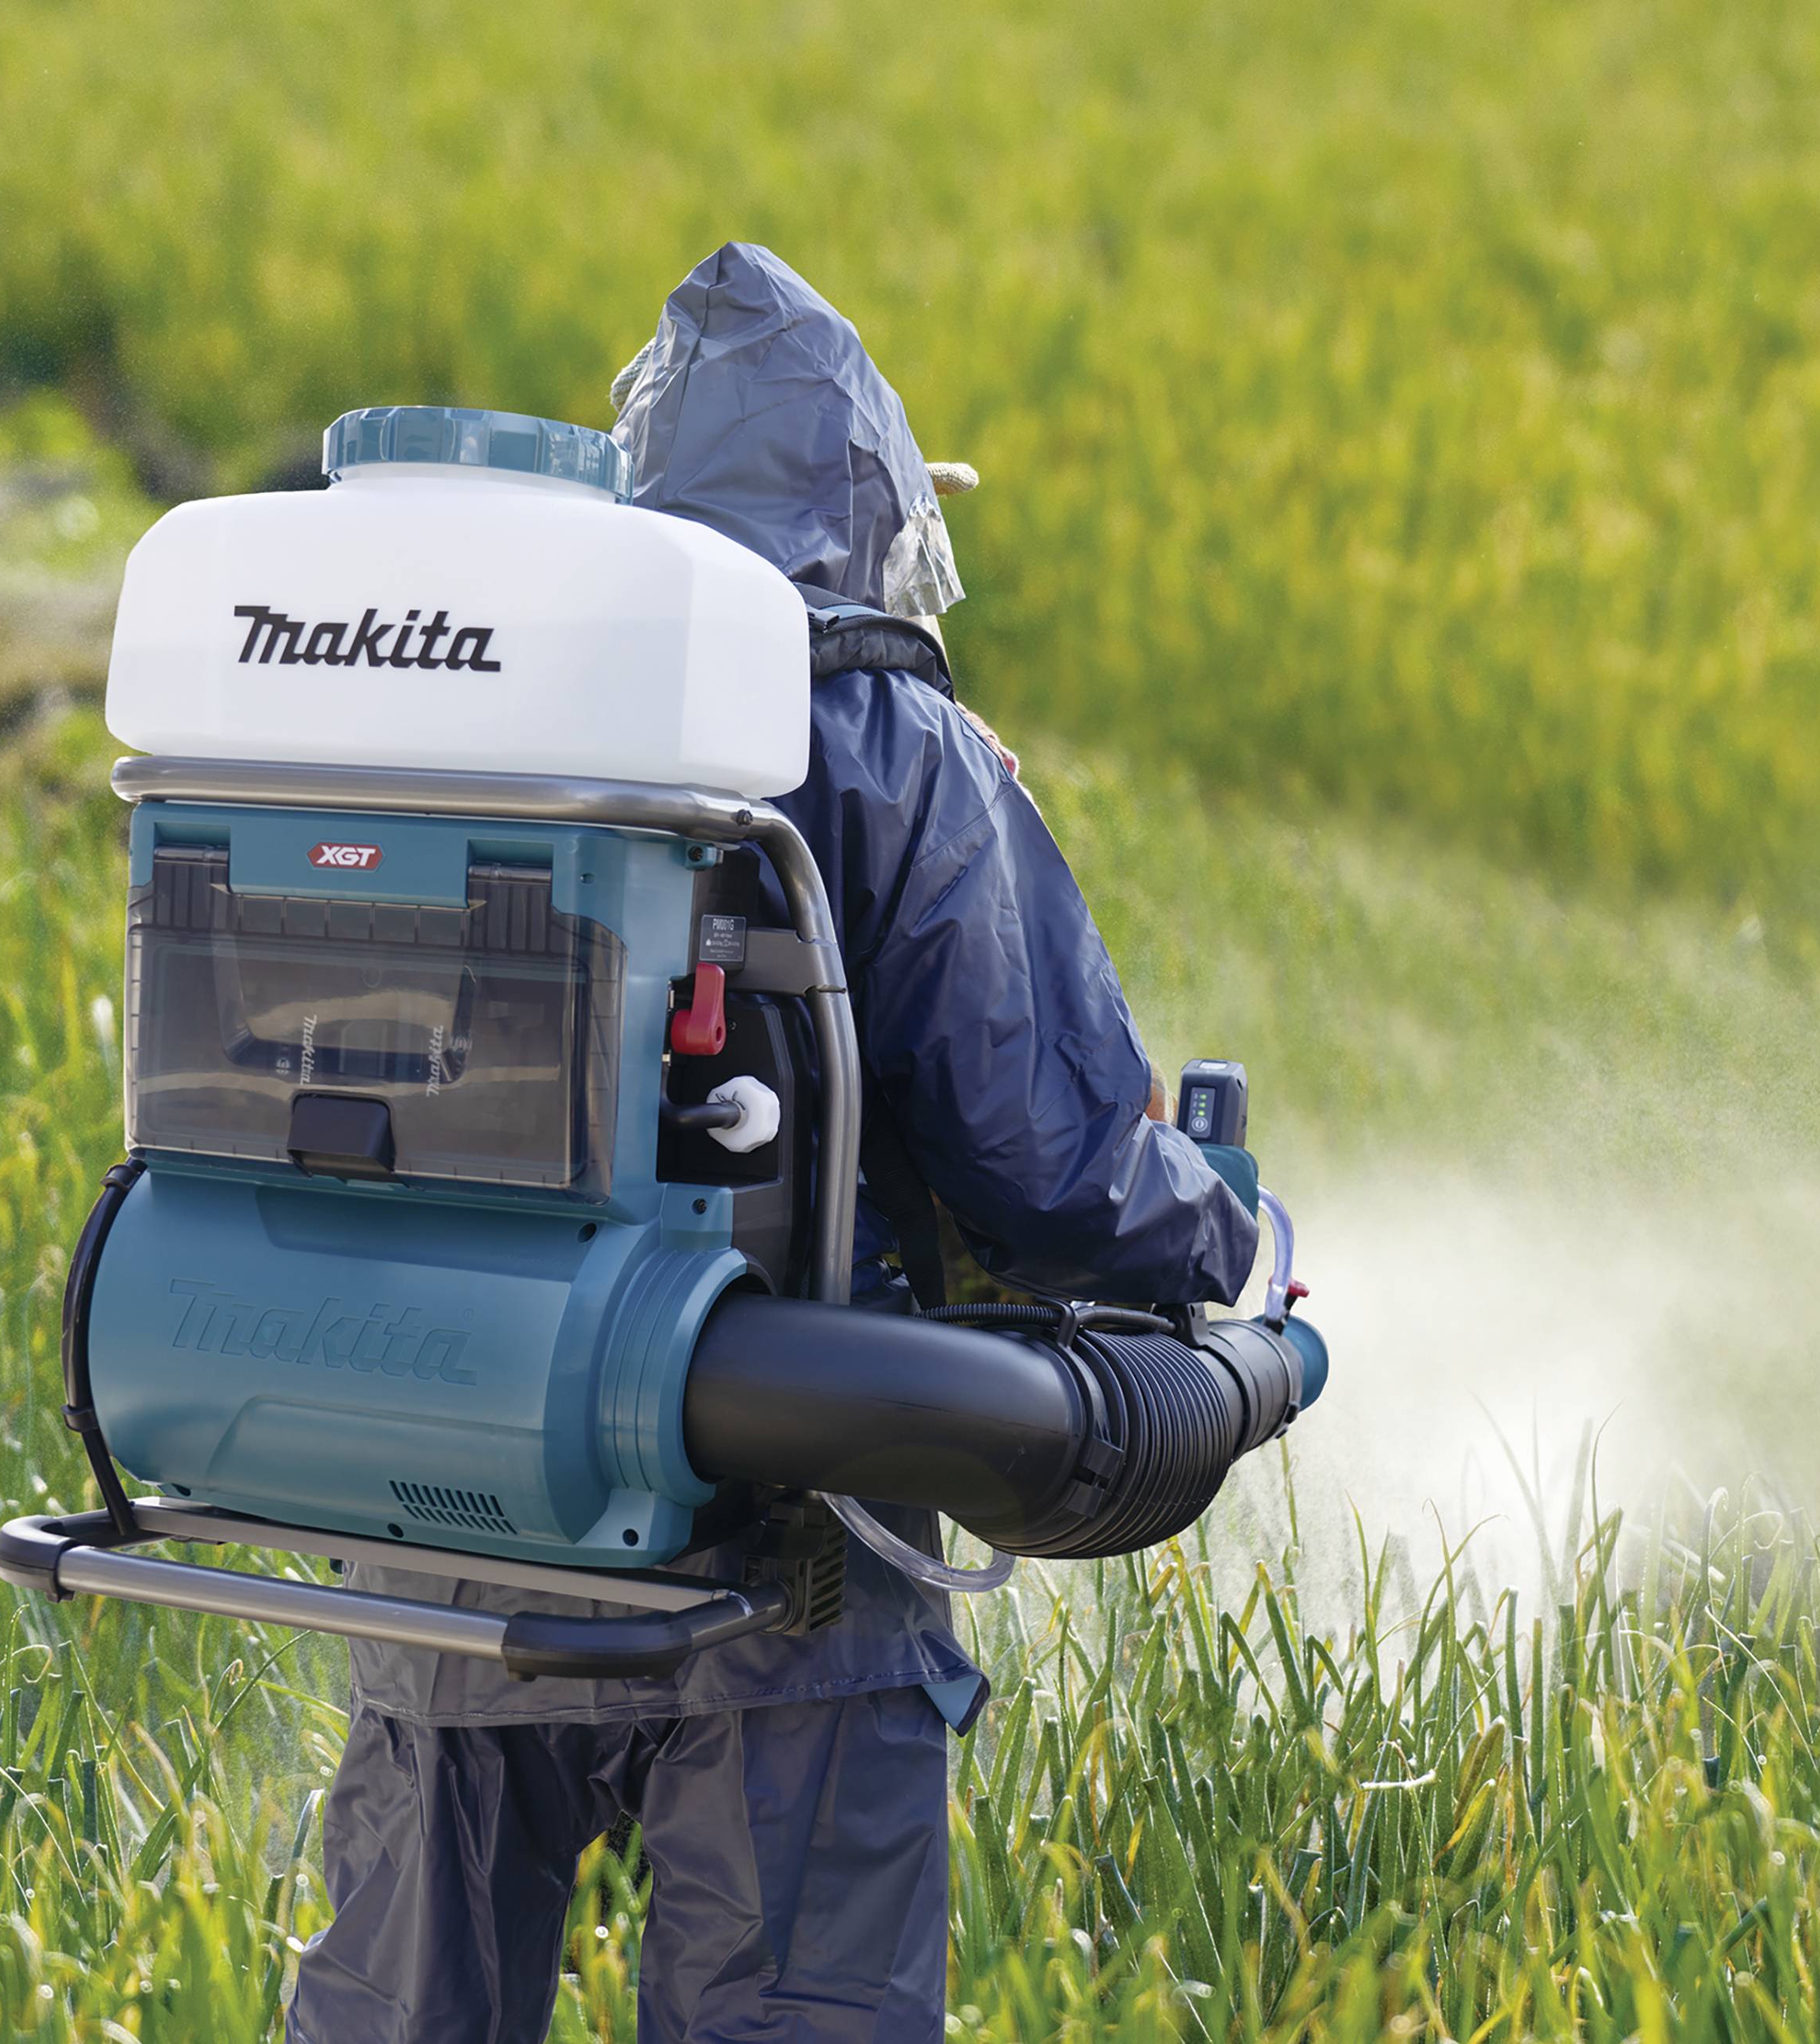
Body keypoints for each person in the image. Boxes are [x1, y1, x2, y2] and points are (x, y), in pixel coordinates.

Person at [287, 243, 1258, 2044]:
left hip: (448, 1520)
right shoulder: (888, 731)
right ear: (864, 503)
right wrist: (1217, 1237)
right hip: (780, 1572)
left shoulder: (484, 703)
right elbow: (1045, 1153)